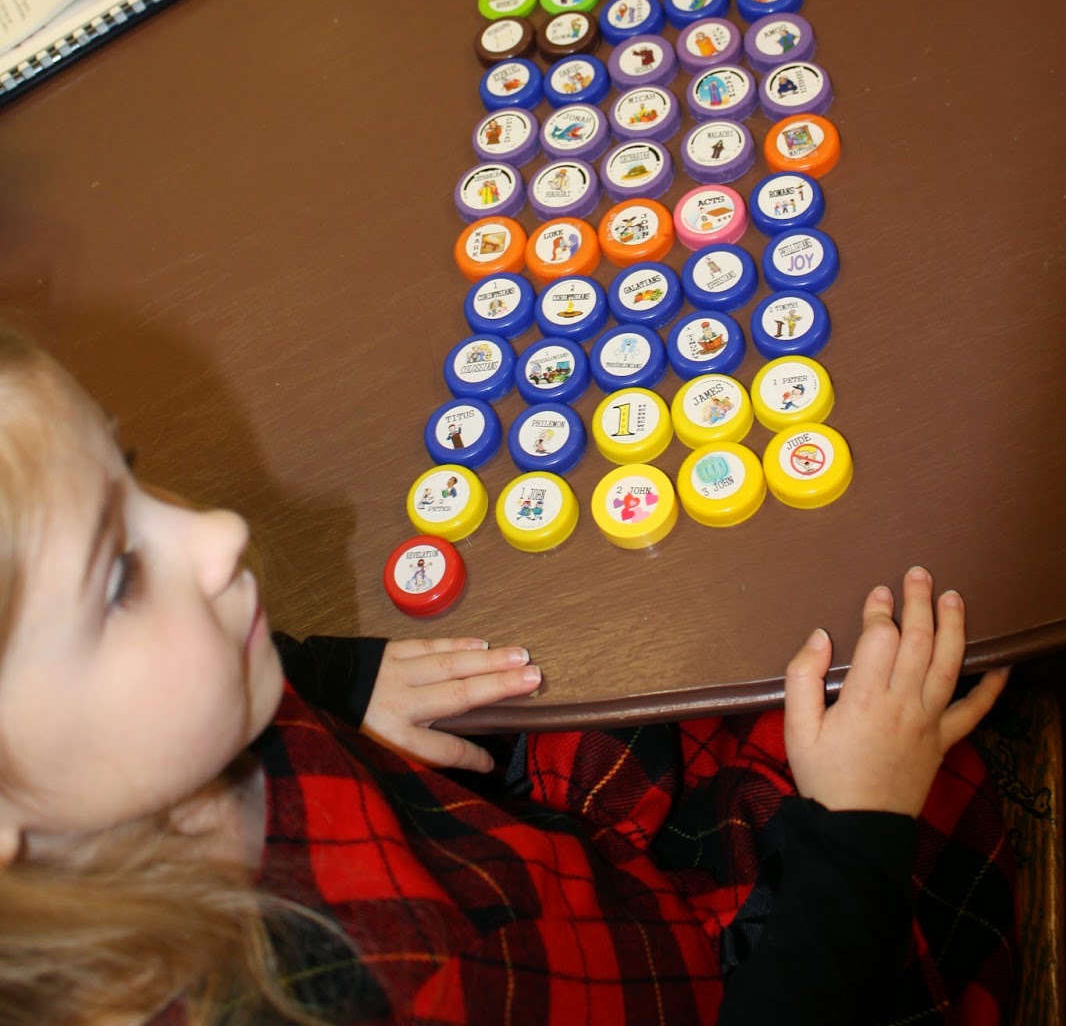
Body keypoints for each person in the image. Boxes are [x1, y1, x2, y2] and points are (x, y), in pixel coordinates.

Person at [0, 330, 1016, 1026]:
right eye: (120, 574)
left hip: (567, 885)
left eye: (131, 475)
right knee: (929, 739)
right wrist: (855, 830)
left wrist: (345, 681)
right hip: (748, 990)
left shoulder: (169, 728)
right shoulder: (350, 998)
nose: (217, 531)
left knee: (678, 648)